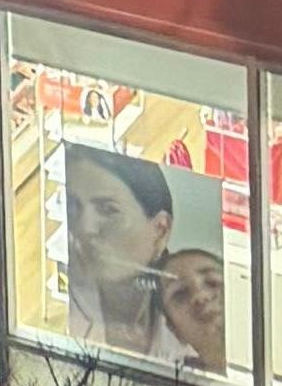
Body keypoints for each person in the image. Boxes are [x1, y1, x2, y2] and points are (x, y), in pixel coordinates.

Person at [64, 145, 228, 371]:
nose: (84, 228)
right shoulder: (68, 305)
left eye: (108, 209)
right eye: (73, 207)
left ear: (160, 230)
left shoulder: (199, 336)